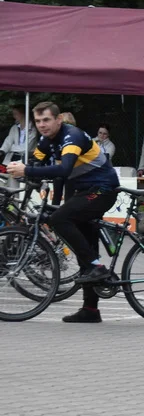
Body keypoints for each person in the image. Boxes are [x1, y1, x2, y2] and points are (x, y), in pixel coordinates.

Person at [5, 102, 121, 323]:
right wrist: (20, 172)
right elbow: (37, 165)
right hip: (82, 191)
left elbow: (64, 169)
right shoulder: (46, 141)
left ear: (58, 120)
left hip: (102, 189)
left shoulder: (72, 136)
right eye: (38, 121)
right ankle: (90, 310)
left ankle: (98, 268)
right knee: (86, 246)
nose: (42, 125)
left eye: (46, 120)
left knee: (59, 219)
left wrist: (27, 170)